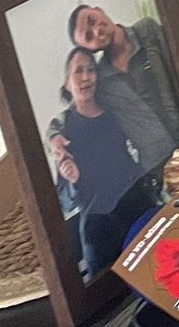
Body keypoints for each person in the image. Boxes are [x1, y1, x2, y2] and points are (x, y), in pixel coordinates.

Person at [48, 47, 157, 277]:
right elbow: (65, 202)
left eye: (91, 70)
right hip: (98, 225)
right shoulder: (63, 131)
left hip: (136, 206)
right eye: (79, 71)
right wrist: (72, 179)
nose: (86, 77)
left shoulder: (116, 112)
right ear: (67, 83)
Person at [62, 3, 179, 175]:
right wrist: (53, 135)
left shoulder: (146, 31)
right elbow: (77, 109)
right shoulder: (102, 81)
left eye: (92, 20)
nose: (97, 31)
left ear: (99, 10)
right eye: (89, 37)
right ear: (91, 49)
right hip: (161, 169)